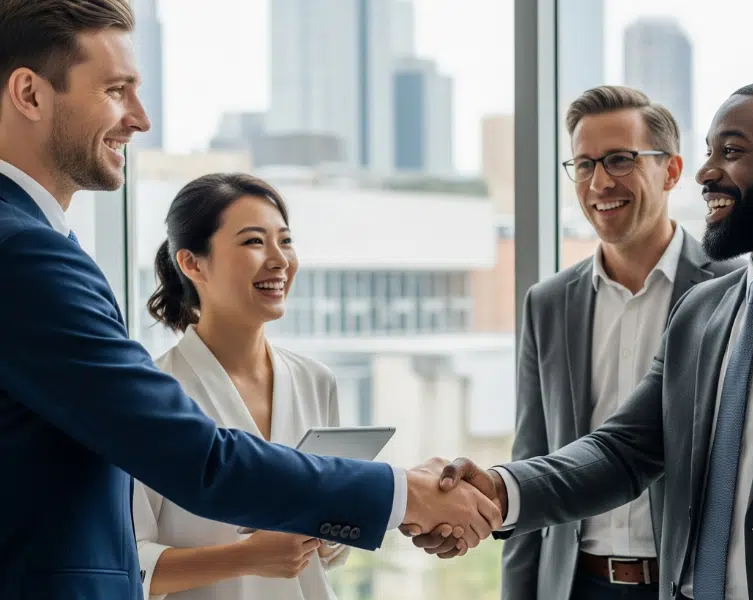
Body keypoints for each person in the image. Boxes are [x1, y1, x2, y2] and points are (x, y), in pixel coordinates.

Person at [0, 2, 498, 598]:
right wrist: (402, 493)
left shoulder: (37, 242)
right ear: (29, 93)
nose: (141, 118)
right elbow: (199, 459)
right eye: (116, 90)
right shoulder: (25, 254)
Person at [410, 80, 753, 600]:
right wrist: (501, 490)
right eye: (708, 152)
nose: (706, 173)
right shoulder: (702, 310)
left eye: (732, 151)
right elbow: (623, 450)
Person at [496, 86, 744, 600]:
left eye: (619, 160)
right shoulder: (547, 304)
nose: (599, 182)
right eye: (584, 165)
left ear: (672, 171)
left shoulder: (734, 292)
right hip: (573, 583)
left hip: (689, 583)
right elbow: (532, 455)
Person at [131, 173, 354, 600]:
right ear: (193, 264)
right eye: (254, 242)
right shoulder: (152, 395)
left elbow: (330, 553)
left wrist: (332, 526)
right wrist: (248, 556)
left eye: (285, 241)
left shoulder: (315, 381)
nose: (279, 260)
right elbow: (128, 564)